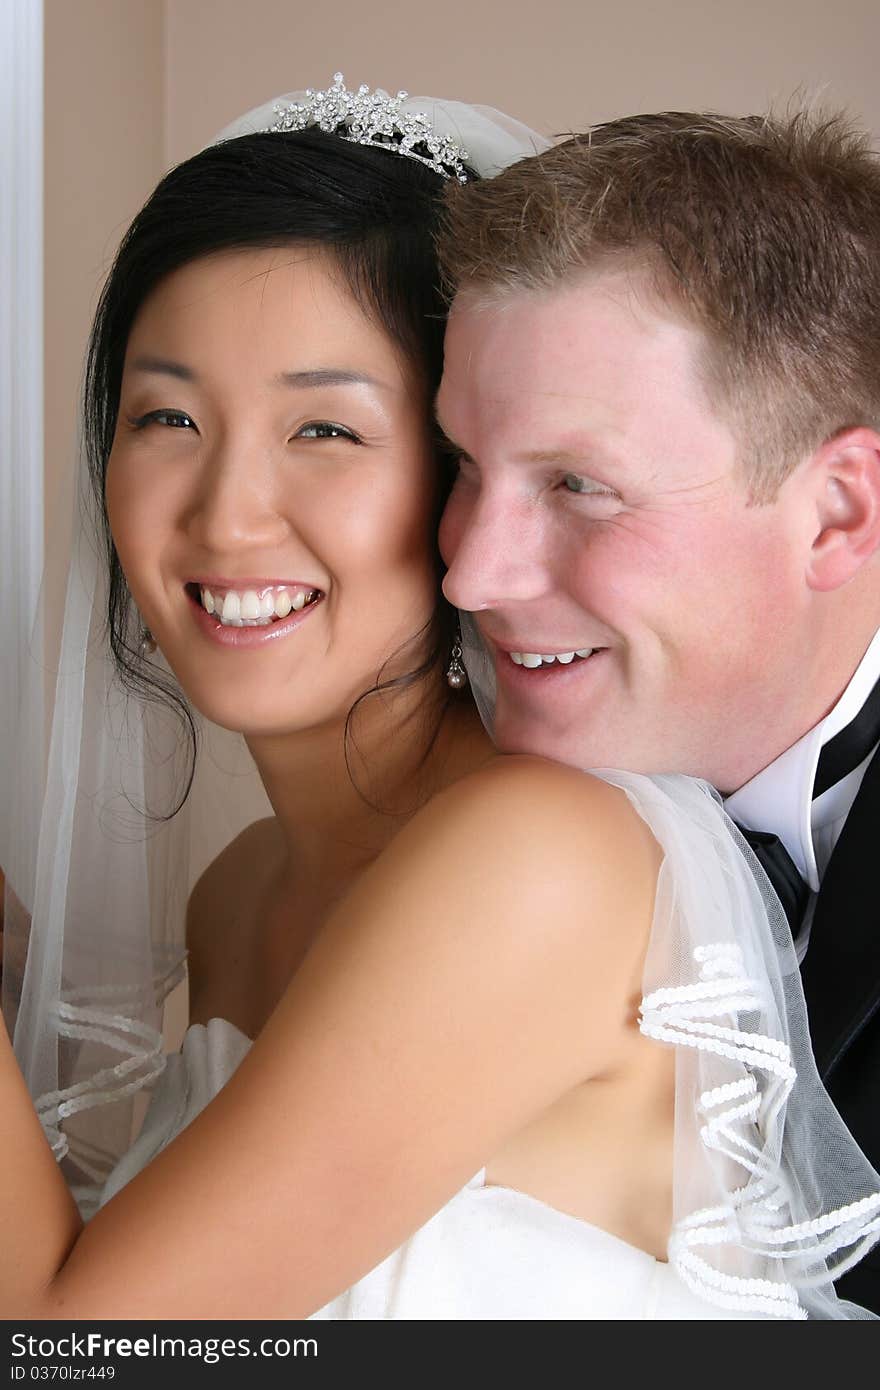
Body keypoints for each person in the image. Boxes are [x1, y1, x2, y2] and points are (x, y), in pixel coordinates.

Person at [1, 81, 878, 1321]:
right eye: (168, 416)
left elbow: (69, 1344)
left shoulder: (538, 854)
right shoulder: (237, 893)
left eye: (326, 431)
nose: (225, 514)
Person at [436, 107, 880, 1313]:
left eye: (578, 485)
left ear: (835, 513)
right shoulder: (451, 805)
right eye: (464, 467)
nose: (470, 575)